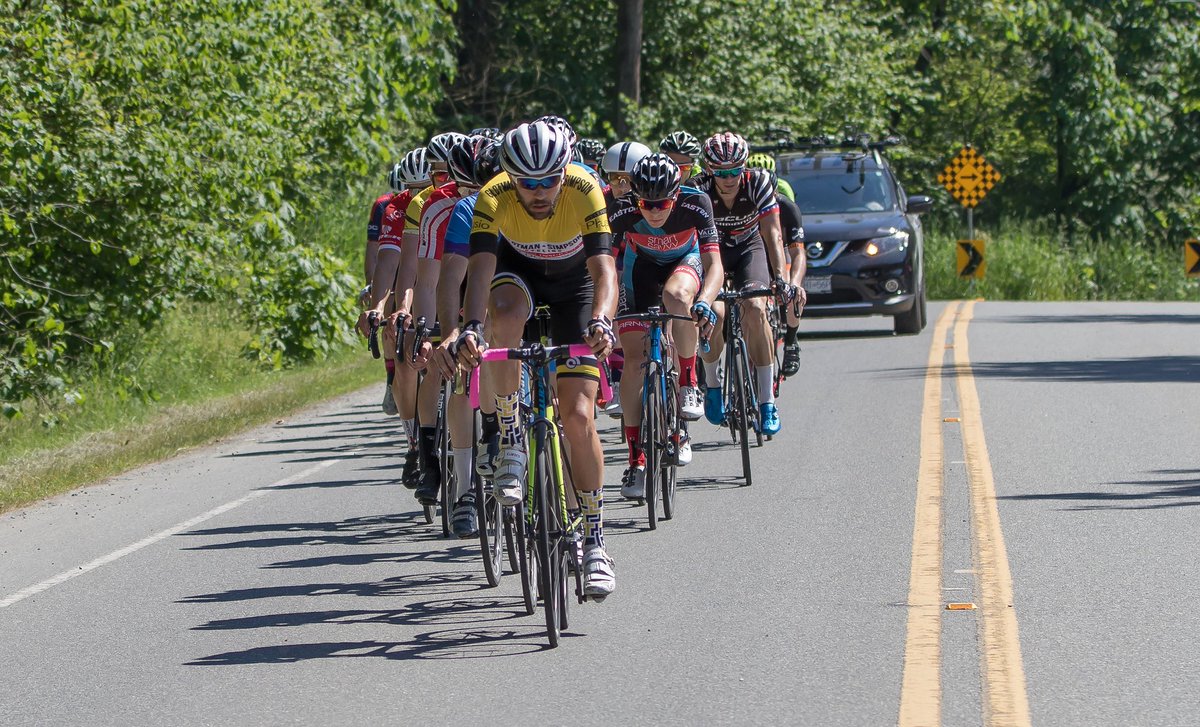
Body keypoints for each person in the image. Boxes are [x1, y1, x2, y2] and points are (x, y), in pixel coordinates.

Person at [455, 121, 619, 599]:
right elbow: (480, 270)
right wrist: (470, 327)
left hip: (576, 290)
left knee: (578, 416)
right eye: (528, 183)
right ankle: (507, 432)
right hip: (517, 275)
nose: (541, 191)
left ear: (565, 172)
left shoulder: (585, 188)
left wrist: (604, 320)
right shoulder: (494, 195)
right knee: (501, 316)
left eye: (550, 180)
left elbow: (604, 268)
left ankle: (594, 539)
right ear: (511, 177)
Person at [609, 154, 723, 498]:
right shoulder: (621, 211)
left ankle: (688, 380)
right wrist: (605, 315)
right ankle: (636, 459)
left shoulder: (697, 203)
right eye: (646, 204)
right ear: (634, 197)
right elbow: (609, 270)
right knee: (633, 359)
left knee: (677, 297)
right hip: (638, 272)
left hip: (683, 264)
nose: (655, 211)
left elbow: (714, 263)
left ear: (677, 195)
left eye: (663, 204)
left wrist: (704, 300)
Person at [420, 134, 503, 537]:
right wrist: (448, 331)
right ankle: (465, 487)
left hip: (520, 290)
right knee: (460, 376)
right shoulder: (460, 209)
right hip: (472, 288)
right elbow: (445, 277)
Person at [694, 132, 787, 436]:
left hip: (749, 248)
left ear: (744, 167)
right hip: (714, 251)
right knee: (715, 314)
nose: (729, 178)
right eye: (721, 172)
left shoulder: (758, 182)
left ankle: (766, 401)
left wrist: (781, 280)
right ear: (709, 170)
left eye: (735, 170)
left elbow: (772, 234)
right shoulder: (699, 189)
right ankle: (712, 383)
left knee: (756, 309)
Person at [356, 148, 431, 487]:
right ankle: (414, 441)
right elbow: (385, 260)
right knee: (400, 345)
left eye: (424, 186)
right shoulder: (394, 207)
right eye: (411, 188)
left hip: (440, 277)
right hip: (404, 275)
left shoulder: (448, 201)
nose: (418, 195)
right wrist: (377, 303)